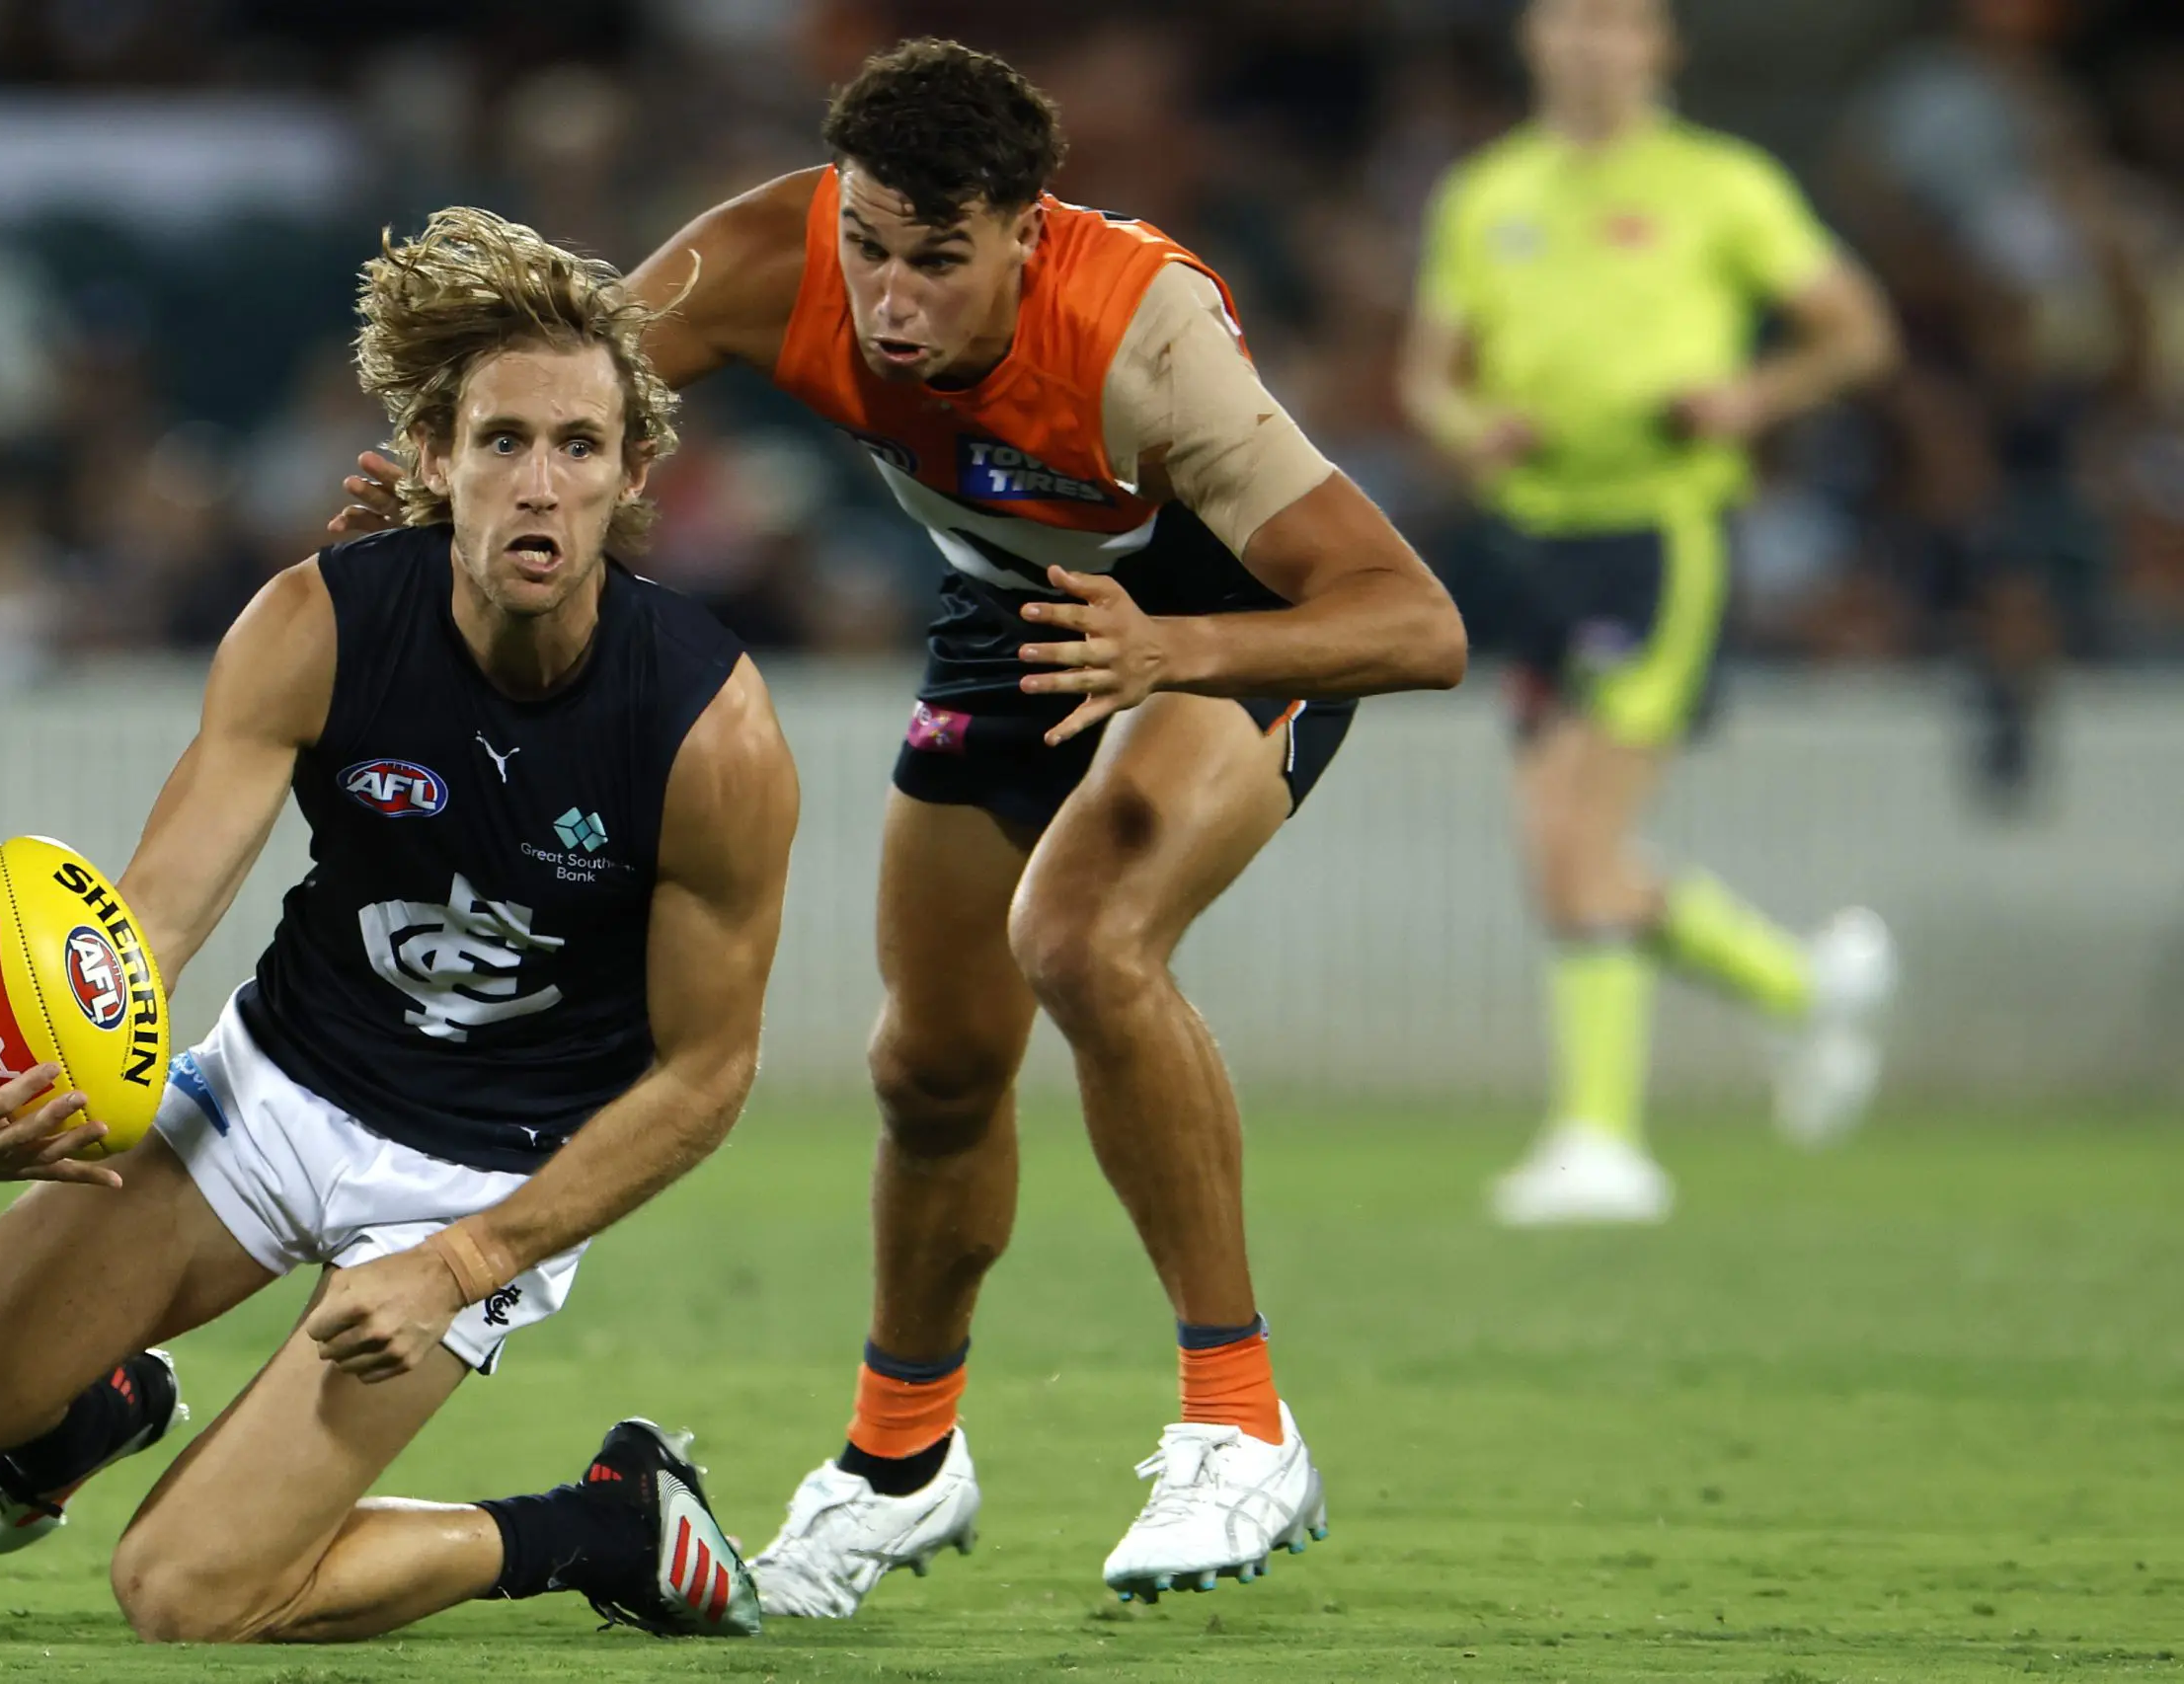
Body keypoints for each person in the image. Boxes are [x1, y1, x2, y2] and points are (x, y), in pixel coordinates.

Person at [336, 37, 1467, 1609]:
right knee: (928, 1066)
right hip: (1016, 609)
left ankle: (1239, 1421)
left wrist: (1176, 653)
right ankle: (900, 1461)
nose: (889, 298)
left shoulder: (1143, 337)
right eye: (869, 245)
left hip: (1226, 615)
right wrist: (422, 491)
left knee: (1081, 937)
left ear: (1028, 229)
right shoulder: (764, 259)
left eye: (940, 260)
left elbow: (1414, 623)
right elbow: (554, 379)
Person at [0, 208, 797, 1644]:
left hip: (482, 1183)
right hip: (270, 1091)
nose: (539, 484)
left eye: (579, 446)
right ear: (432, 454)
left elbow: (704, 1078)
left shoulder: (707, 727)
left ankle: (607, 1521)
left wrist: (465, 1262)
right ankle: (109, 1390)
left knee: (185, 1595)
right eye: (500, 441)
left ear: (634, 474)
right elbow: (150, 919)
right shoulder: (318, 622)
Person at [1399, 0, 1903, 1226]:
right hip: (1529, 539)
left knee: (1573, 845)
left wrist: (1749, 395)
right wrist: (1473, 429)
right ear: (1530, 41)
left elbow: (1855, 332)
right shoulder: (1485, 193)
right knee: (1561, 853)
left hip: (1654, 536)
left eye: (1612, 21)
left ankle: (1604, 1142)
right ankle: (1799, 986)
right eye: (1564, 20)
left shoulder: (1720, 184)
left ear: (1659, 46)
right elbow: (1428, 372)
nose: (1585, 42)